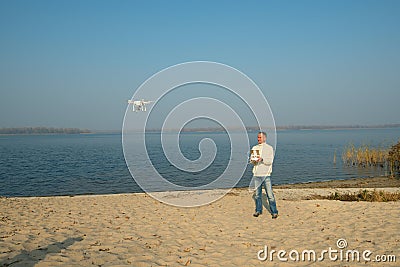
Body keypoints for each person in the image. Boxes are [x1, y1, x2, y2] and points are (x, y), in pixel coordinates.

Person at [250, 132, 278, 219]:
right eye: (258, 137)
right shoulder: (255, 148)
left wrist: (262, 159)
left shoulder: (269, 148)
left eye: (260, 138)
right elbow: (252, 161)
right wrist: (253, 160)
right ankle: (258, 210)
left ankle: (274, 212)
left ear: (264, 138)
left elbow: (270, 161)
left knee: (270, 195)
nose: (259, 139)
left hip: (266, 175)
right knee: (257, 195)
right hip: (257, 174)